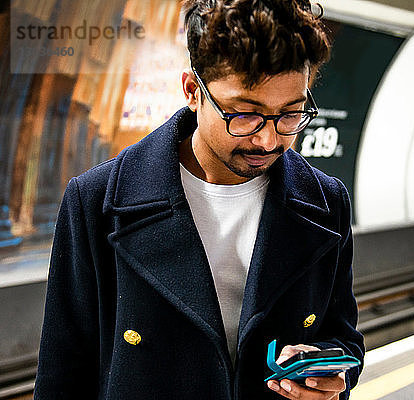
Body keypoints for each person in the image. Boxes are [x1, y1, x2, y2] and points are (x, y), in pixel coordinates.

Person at [33, 0, 364, 399]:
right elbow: (64, 374)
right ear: (193, 90)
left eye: (290, 114)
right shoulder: (97, 201)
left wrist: (328, 376)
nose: (268, 139)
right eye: (244, 113)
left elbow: (342, 336)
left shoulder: (326, 202)